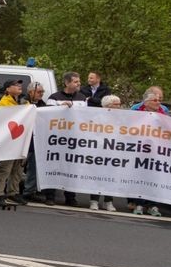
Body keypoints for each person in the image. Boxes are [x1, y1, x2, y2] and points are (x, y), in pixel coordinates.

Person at [47, 72, 87, 207]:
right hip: (57, 139)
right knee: (54, 166)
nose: (79, 84)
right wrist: (60, 108)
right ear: (67, 83)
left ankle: (70, 197)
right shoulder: (54, 97)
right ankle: (50, 196)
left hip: (74, 139)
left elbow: (86, 117)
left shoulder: (82, 98)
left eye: (79, 81)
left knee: (71, 168)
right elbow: (47, 116)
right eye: (76, 82)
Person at [129, 90, 167, 217]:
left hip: (157, 150)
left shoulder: (164, 113)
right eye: (155, 100)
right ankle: (139, 202)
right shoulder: (137, 112)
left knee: (155, 176)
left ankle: (153, 205)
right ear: (146, 102)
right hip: (140, 149)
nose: (158, 103)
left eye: (159, 100)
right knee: (140, 175)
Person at [0, 79, 27, 207]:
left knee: (18, 169)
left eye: (20, 85)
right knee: (5, 168)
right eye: (15, 85)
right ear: (7, 89)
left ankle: (13, 192)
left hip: (21, 140)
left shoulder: (23, 102)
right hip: (8, 141)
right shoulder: (4, 103)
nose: (19, 87)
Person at [88, 95, 123, 212]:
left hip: (114, 151)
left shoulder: (122, 119)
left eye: (119, 104)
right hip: (99, 150)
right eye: (116, 104)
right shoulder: (98, 117)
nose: (119, 107)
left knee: (111, 176)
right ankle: (94, 200)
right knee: (97, 175)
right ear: (108, 106)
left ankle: (108, 201)